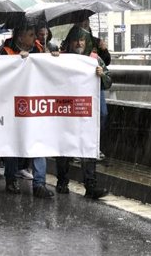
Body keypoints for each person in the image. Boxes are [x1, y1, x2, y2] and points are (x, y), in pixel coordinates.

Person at [0, 22, 55, 199]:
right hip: (12, 104)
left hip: (35, 103)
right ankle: (11, 178)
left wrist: (53, 58)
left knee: (39, 141)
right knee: (13, 143)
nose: (35, 38)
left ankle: (39, 184)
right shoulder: (5, 51)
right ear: (20, 37)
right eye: (31, 35)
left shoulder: (40, 50)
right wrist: (16, 61)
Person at [55, 27, 110, 199]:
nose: (79, 43)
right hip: (65, 111)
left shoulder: (95, 60)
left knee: (88, 146)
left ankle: (90, 185)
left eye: (82, 40)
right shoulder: (62, 58)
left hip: (86, 112)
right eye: (75, 40)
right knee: (64, 147)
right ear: (70, 42)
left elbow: (108, 82)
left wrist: (102, 76)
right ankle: (62, 182)